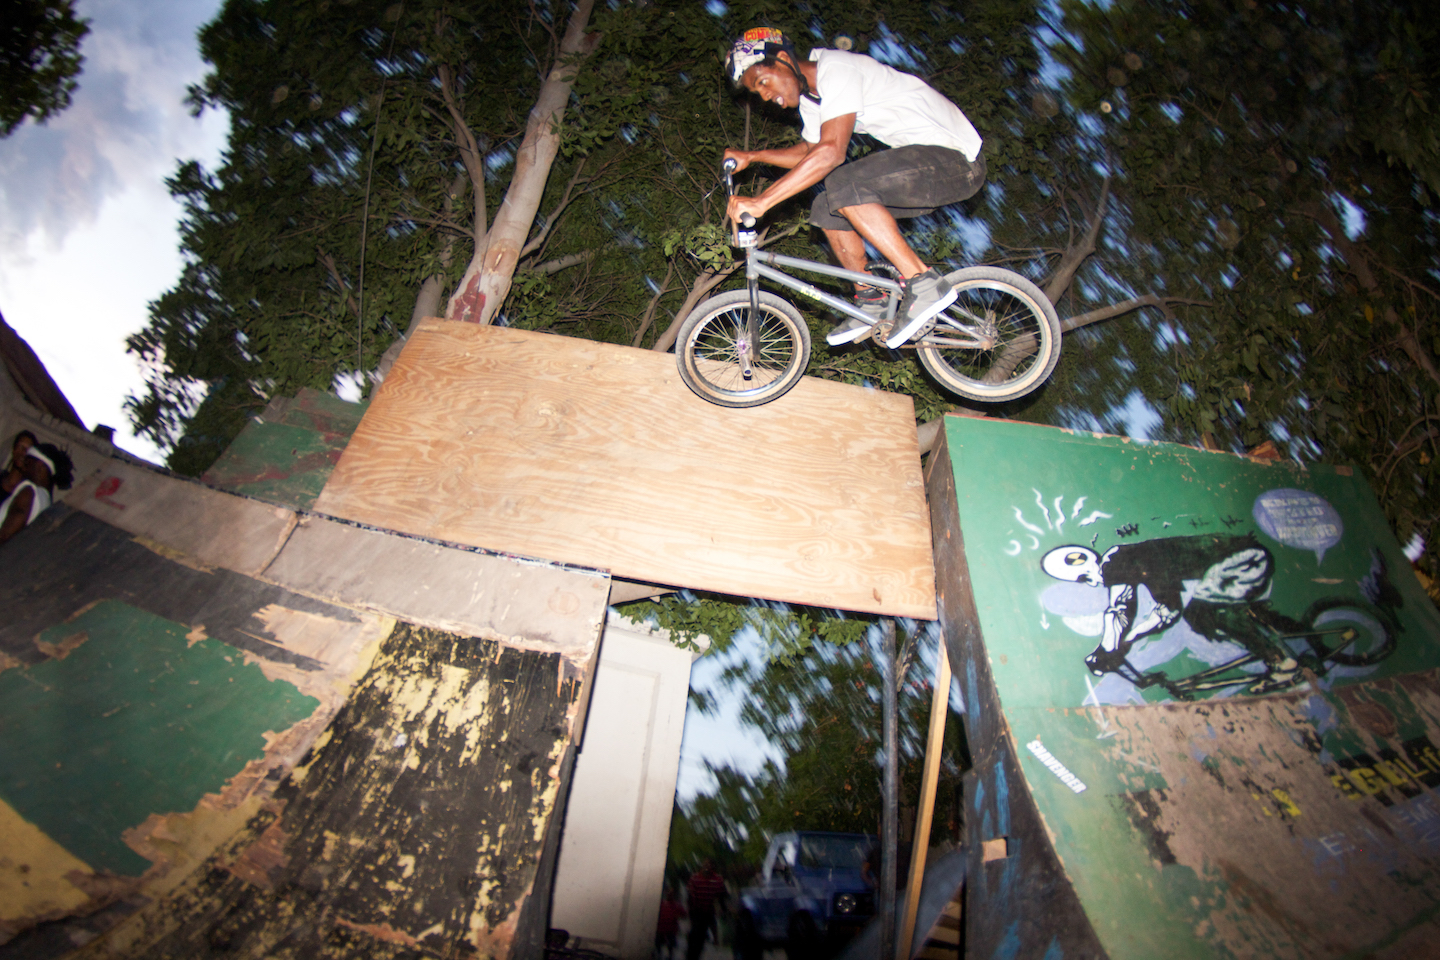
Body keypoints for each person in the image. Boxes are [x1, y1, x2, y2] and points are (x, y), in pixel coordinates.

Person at [721, 27, 986, 348]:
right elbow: (810, 150)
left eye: (763, 82)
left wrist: (762, 202)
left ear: (782, 59)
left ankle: (922, 281)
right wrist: (754, 156)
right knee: (825, 205)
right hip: (925, 168)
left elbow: (831, 152)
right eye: (757, 93)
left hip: (958, 161)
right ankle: (871, 299)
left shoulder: (837, 70)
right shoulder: (812, 100)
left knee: (843, 182)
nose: (765, 96)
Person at [1041, 534, 1287, 677]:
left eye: (1085, 579)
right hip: (1240, 557)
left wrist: (1106, 651)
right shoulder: (1148, 567)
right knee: (1197, 615)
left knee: (1208, 613)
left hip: (1242, 559)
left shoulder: (1115, 562)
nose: (1094, 584)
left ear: (1088, 567)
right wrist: (1127, 641)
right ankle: (1281, 630)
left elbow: (1118, 610)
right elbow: (1168, 613)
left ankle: (1284, 665)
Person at [0, 442, 74, 544]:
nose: (23, 467)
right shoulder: (45, 499)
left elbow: (6, 533)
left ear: (40, 465)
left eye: (27, 462)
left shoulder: (29, 490)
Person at [685, 860, 727, 960]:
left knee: (705, 930)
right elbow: (690, 895)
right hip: (696, 910)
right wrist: (691, 910)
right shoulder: (695, 878)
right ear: (702, 867)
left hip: (708, 910)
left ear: (713, 868)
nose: (707, 867)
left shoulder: (717, 880)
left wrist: (723, 908)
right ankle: (691, 953)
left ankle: (714, 940)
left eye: (709, 865)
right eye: (705, 865)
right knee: (695, 932)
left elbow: (721, 895)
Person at [1, 430, 37, 498]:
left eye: (27, 450)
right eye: (20, 447)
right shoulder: (1, 477)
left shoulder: (26, 493)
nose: (23, 452)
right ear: (14, 449)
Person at [655, 885, 687, 960]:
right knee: (659, 942)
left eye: (671, 893)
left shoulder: (676, 905)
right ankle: (660, 954)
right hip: (662, 928)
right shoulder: (662, 904)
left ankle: (669, 955)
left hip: (670, 929)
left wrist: (678, 916)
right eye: (668, 893)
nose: (669, 895)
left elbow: (684, 915)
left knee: (670, 943)